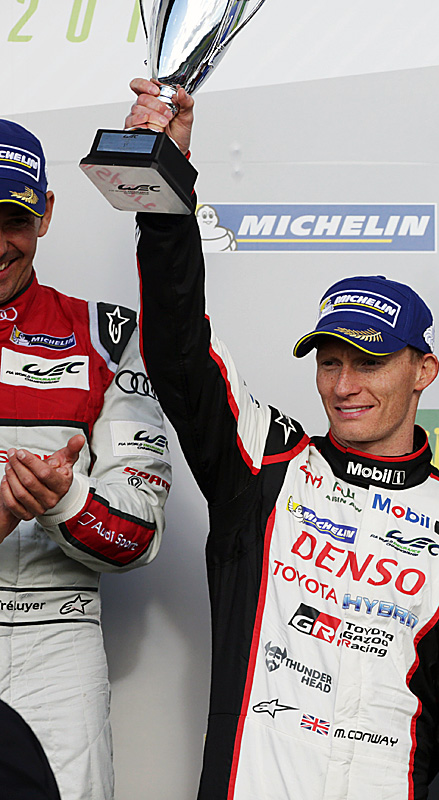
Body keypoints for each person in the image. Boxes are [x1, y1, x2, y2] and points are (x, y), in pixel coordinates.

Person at [124, 80, 439, 800]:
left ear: (424, 370)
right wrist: (165, 191)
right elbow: (180, 351)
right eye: (330, 361)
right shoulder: (269, 466)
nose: (343, 385)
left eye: (369, 362)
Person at [0, 118, 171, 800]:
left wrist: (64, 501)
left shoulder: (107, 336)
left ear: (44, 213)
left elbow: (140, 534)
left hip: (57, 637)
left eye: (11, 216)